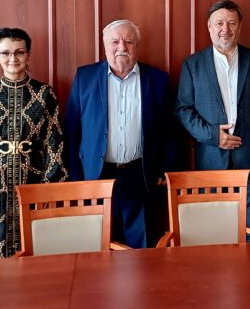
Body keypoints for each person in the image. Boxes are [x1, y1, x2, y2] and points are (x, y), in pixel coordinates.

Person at [0, 28, 67, 260]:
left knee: (34, 242)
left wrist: (49, 187)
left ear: (28, 54)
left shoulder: (44, 93)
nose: (13, 58)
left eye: (19, 52)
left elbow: (54, 141)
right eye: (5, 53)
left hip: (34, 176)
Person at [65, 19, 173, 249]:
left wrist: (166, 168)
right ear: (105, 45)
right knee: (100, 243)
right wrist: (76, 178)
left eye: (128, 41)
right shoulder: (85, 77)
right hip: (98, 174)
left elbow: (169, 129)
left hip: (141, 173)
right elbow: (72, 131)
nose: (121, 47)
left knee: (141, 244)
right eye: (115, 42)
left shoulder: (157, 80)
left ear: (137, 46)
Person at [175, 0, 250, 232]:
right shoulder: (192, 64)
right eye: (219, 23)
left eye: (232, 23)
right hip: (211, 163)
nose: (225, 29)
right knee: (214, 230)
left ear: (240, 26)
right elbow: (183, 110)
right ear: (209, 26)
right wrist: (214, 136)